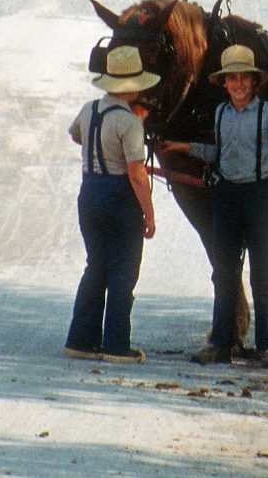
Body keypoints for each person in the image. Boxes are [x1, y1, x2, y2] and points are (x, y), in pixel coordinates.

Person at [162, 45, 268, 369]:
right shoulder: (220, 114)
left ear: (255, 82)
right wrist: (183, 147)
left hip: (259, 196)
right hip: (226, 196)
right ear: (224, 83)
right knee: (225, 272)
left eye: (244, 79)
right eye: (232, 79)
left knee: (263, 273)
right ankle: (220, 344)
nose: (238, 85)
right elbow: (217, 153)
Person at [63, 45, 159, 364]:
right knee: (122, 272)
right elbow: (136, 174)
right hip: (119, 197)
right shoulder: (130, 123)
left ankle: (80, 340)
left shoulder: (89, 109)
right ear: (132, 86)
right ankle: (116, 345)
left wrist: (98, 145)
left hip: (89, 193)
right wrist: (149, 213)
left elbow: (75, 135)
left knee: (96, 266)